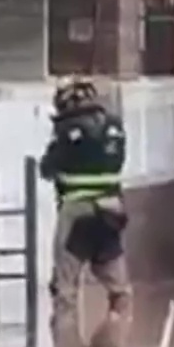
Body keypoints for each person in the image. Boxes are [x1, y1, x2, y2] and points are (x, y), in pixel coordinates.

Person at [40, 77, 133, 316]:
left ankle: (65, 334)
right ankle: (120, 327)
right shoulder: (115, 127)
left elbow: (47, 169)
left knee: (65, 289)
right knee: (119, 289)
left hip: (77, 211)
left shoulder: (65, 129)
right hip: (112, 210)